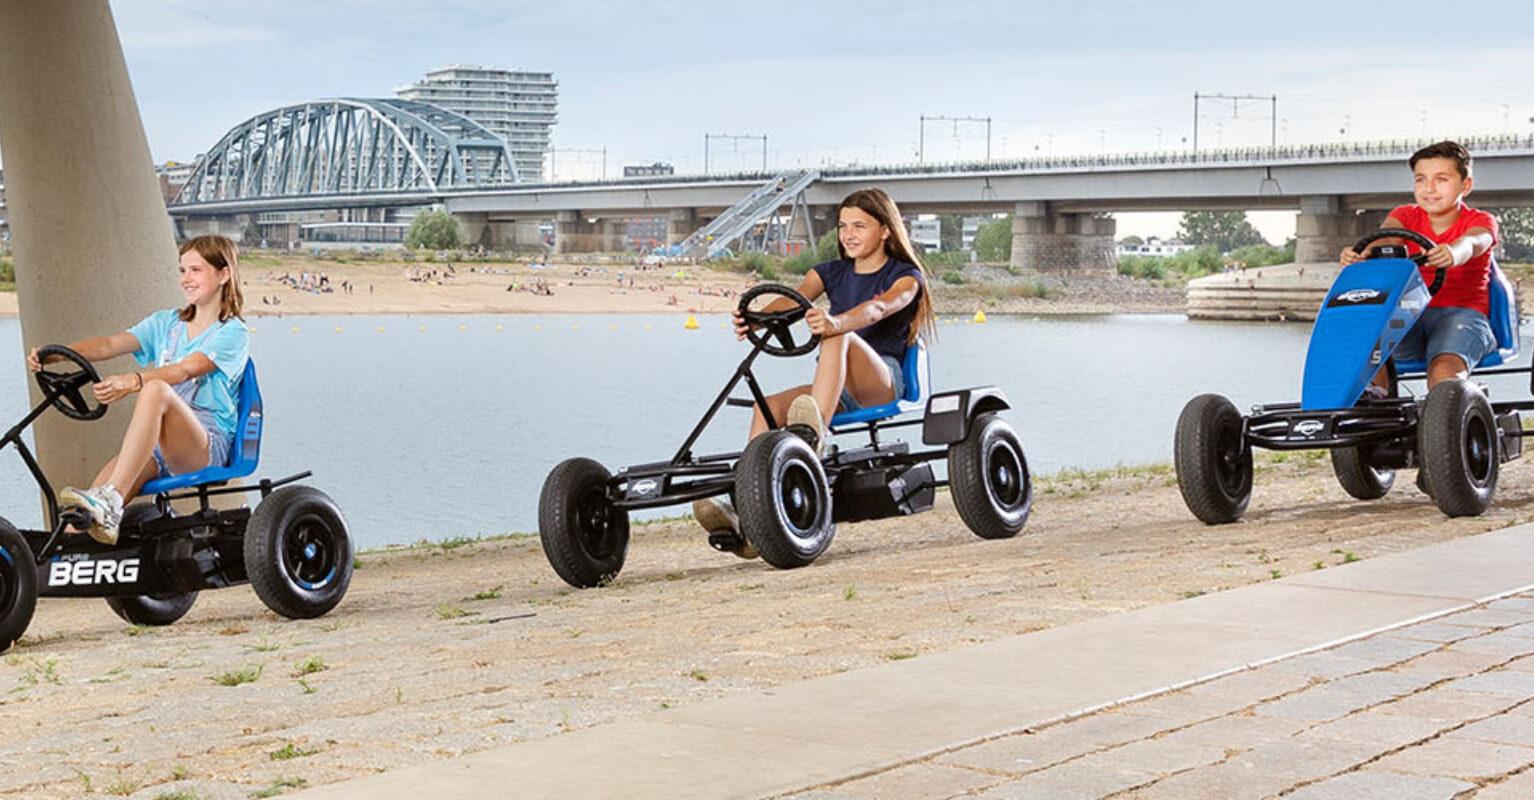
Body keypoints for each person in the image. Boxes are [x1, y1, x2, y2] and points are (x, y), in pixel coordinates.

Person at [693, 188, 935, 555]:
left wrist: (837, 321)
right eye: (842, 226)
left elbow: (876, 310)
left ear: (885, 230)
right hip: (834, 386)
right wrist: (755, 320)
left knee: (837, 334)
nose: (848, 234)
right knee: (767, 408)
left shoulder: (906, 277)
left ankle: (812, 441)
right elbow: (794, 299)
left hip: (883, 382)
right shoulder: (831, 272)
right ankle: (751, 512)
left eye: (860, 226)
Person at [28, 235, 250, 544]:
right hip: (160, 449)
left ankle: (111, 501)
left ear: (224, 274)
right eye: (182, 270)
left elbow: (186, 369)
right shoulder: (166, 323)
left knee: (156, 389)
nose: (186, 279)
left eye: (195, 270)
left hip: (206, 446)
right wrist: (55, 355)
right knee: (84, 511)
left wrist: (132, 381)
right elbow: (109, 344)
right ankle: (60, 554)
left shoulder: (233, 333)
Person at [1341, 140, 1500, 394]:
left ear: (1465, 185)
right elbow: (1386, 239)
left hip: (1463, 316)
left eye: (1441, 179)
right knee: (1364, 354)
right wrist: (1362, 254)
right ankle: (1375, 409)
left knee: (1443, 371)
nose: (1429, 189)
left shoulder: (1481, 220)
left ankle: (1452, 403)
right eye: (1421, 180)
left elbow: (1474, 242)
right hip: (1410, 314)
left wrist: (1453, 252)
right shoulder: (1405, 215)